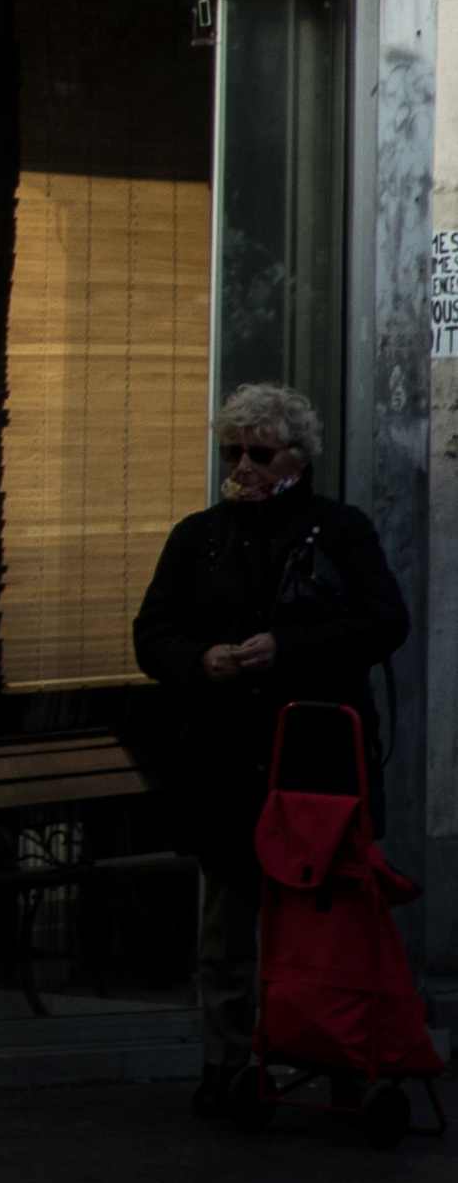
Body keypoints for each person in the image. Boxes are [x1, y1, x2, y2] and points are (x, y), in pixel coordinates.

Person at [134, 381, 414, 1122]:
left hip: (317, 759)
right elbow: (152, 634)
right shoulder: (200, 536)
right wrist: (202, 660)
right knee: (228, 925)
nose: (245, 466)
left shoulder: (337, 529)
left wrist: (287, 648)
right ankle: (226, 1061)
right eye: (234, 451)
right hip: (228, 758)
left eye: (261, 451)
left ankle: (344, 1063)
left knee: (329, 920)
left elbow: (384, 620)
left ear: (297, 455)